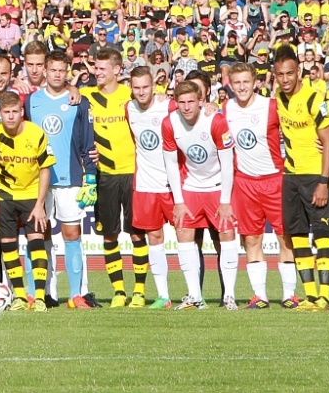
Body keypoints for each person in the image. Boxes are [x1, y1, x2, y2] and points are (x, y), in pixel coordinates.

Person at [223, 63, 301, 309]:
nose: (242, 87)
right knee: (251, 239)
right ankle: (260, 296)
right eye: (237, 82)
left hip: (275, 180)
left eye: (246, 81)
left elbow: (297, 127)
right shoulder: (225, 108)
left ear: (255, 82)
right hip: (245, 183)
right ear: (230, 84)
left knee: (284, 238)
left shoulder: (271, 106)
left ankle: (289, 295)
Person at [26, 51, 99, 309]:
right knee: (38, 234)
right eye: (53, 70)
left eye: (61, 70)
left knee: (72, 234)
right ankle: (40, 292)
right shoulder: (31, 101)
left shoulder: (79, 102)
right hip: (37, 180)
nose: (57, 74)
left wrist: (91, 177)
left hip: (71, 178)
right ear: (45, 71)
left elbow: (88, 143)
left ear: (67, 72)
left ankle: (76, 294)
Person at [162, 80, 240, 310]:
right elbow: (170, 163)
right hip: (190, 186)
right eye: (182, 102)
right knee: (184, 234)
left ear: (200, 101)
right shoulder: (169, 123)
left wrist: (225, 200)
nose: (186, 107)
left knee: (226, 234)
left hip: (217, 186)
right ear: (176, 103)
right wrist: (178, 201)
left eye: (191, 102)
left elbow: (228, 163)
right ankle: (195, 296)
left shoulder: (215, 120)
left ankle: (229, 296)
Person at [82, 47, 149, 307]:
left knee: (137, 234)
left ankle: (139, 292)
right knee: (109, 235)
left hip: (133, 174)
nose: (96, 72)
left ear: (117, 70)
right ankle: (119, 292)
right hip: (105, 176)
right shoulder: (87, 96)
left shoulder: (130, 95)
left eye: (101, 68)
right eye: (95, 68)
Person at [273, 44, 329, 311]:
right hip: (291, 176)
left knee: (321, 233)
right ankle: (310, 297)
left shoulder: (314, 98)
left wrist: (323, 181)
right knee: (297, 235)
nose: (285, 79)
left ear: (298, 72)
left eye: (289, 73)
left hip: (314, 176)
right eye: (280, 74)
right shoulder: (277, 97)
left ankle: (324, 297)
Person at [0, 91, 54, 312]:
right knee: (8, 245)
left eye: (15, 111)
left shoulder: (36, 133)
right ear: (0, 112)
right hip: (3, 196)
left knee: (37, 243)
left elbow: (45, 169)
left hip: (32, 195)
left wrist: (40, 204)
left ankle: (39, 297)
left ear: (22, 111)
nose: (11, 116)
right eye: (7, 112)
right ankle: (20, 297)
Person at [125, 67, 176, 309]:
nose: (141, 92)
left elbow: (194, 115)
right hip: (146, 185)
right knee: (154, 237)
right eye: (137, 88)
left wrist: (208, 105)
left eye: (145, 87)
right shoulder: (129, 109)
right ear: (131, 88)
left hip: (173, 184)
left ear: (154, 87)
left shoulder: (168, 106)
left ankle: (196, 294)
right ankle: (163, 296)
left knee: (188, 236)